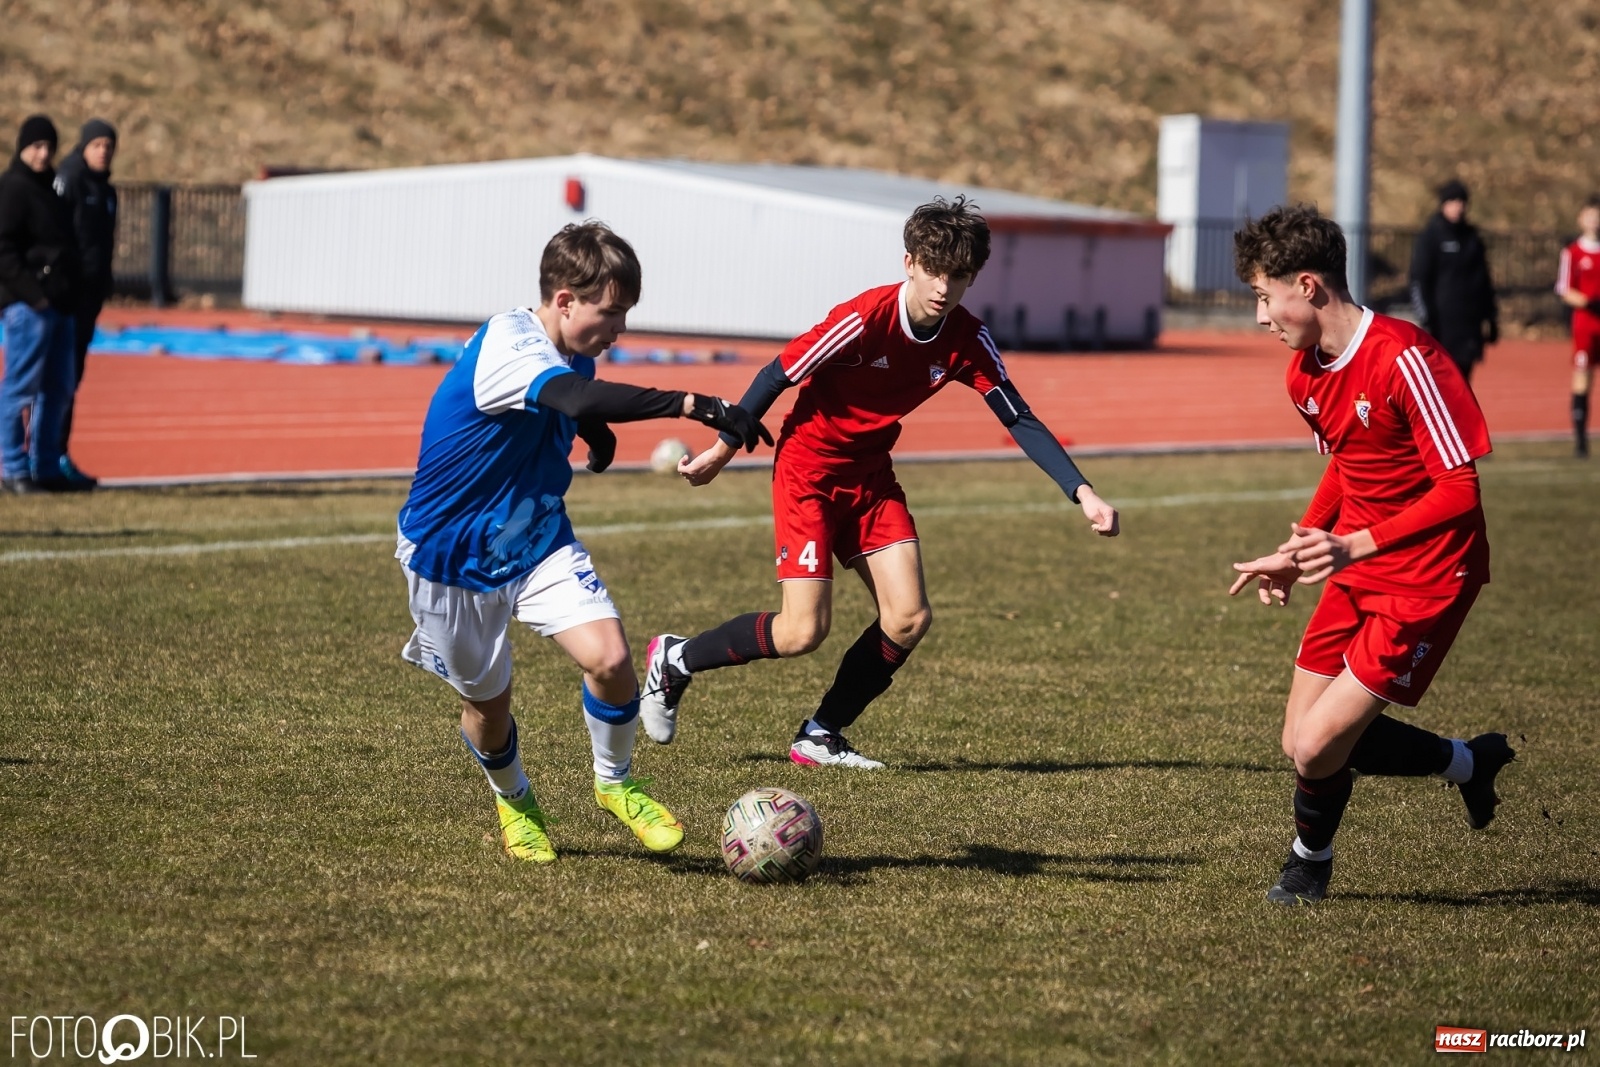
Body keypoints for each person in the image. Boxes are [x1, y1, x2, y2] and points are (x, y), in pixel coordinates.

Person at [639, 196, 1119, 769]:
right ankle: (676, 658)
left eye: (959, 275)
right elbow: (778, 373)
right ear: (910, 262)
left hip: (870, 477)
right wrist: (722, 448)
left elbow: (1017, 415)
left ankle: (820, 734)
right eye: (934, 269)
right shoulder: (863, 318)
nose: (944, 286)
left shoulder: (967, 338)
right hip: (808, 473)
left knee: (909, 617)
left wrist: (1082, 491)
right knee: (801, 632)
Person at [396, 221, 771, 863]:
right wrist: (693, 403)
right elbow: (566, 392)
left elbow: (574, 394)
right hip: (451, 557)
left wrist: (594, 429)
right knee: (488, 707)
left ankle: (617, 785)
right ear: (565, 299)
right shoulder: (509, 344)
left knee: (612, 660)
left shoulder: (574, 349)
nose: (619, 328)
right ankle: (514, 799)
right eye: (612, 312)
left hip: (537, 537)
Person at [1230, 204, 1515, 906]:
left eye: (1265, 297)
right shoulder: (1305, 376)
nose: (1262, 316)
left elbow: (1460, 489)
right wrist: (1298, 548)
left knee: (1320, 743)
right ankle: (1469, 761)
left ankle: (1308, 862)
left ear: (1308, 285)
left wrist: (1352, 543)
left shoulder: (1405, 357)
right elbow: (1346, 467)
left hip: (1427, 576)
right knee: (1299, 739)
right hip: (1356, 567)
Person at [0, 115, 80, 494]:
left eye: (49, 146)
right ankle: (12, 467)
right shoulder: (13, 188)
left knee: (57, 388)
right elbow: (4, 250)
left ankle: (45, 466)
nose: (43, 153)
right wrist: (33, 294)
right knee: (20, 387)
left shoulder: (50, 188)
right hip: (27, 306)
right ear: (22, 147)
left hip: (59, 306)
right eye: (36, 146)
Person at [53, 118, 119, 488]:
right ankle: (38, 456)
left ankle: (58, 453)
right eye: (97, 144)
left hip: (88, 302)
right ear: (84, 147)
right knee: (52, 380)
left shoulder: (106, 190)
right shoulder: (70, 179)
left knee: (70, 378)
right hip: (66, 300)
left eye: (109, 145)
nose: (104, 151)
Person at [1409, 179, 1499, 383]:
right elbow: (1418, 280)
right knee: (1441, 381)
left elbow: (1484, 281)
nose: (1458, 207)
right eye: (1453, 201)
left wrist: (1491, 316)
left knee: (1464, 384)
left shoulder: (1472, 239)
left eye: (1462, 202)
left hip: (1469, 325)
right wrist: (1426, 318)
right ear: (1443, 204)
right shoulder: (1431, 237)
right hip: (1441, 325)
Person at [1555, 195, 1600, 458]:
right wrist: (1588, 302)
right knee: (1582, 377)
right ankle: (1581, 440)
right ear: (1581, 218)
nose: (1594, 221)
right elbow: (1564, 288)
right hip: (1585, 323)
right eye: (1590, 215)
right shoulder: (1573, 252)